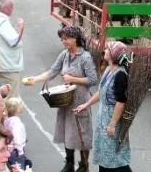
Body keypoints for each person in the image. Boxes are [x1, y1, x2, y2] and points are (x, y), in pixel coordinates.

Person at [24, 26, 98, 172]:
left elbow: (93, 79)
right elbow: (52, 71)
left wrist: (73, 78)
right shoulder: (64, 55)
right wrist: (35, 79)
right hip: (66, 99)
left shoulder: (85, 57)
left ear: (75, 39)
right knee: (67, 131)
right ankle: (69, 163)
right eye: (62, 39)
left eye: (65, 39)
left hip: (80, 100)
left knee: (81, 131)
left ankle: (84, 165)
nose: (63, 41)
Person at [74, 41, 132, 172]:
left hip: (112, 118)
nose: (105, 50)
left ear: (114, 55)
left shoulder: (120, 74)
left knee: (115, 157)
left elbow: (121, 101)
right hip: (103, 117)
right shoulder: (108, 69)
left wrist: (112, 124)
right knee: (105, 155)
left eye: (108, 49)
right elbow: (101, 92)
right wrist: (86, 104)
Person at [0, 0, 24, 99]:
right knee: (11, 100)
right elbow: (13, 40)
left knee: (2, 98)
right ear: (6, 8)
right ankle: (9, 116)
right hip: (7, 67)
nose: (13, 8)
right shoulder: (2, 22)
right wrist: (21, 29)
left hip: (0, 65)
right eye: (12, 6)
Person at [4, 98, 31, 170]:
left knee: (11, 167)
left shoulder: (7, 120)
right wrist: (20, 151)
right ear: (19, 110)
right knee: (18, 168)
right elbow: (16, 137)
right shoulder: (16, 123)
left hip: (9, 148)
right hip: (15, 150)